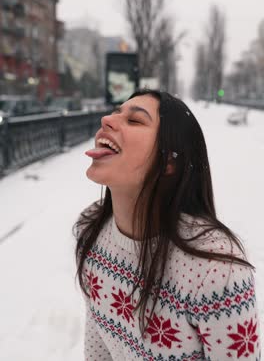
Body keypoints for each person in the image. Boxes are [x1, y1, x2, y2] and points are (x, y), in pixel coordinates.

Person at [74, 89, 260, 360]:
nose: (107, 120)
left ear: (169, 160)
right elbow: (98, 341)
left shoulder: (217, 270)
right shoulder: (89, 230)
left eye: (135, 121)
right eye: (115, 113)